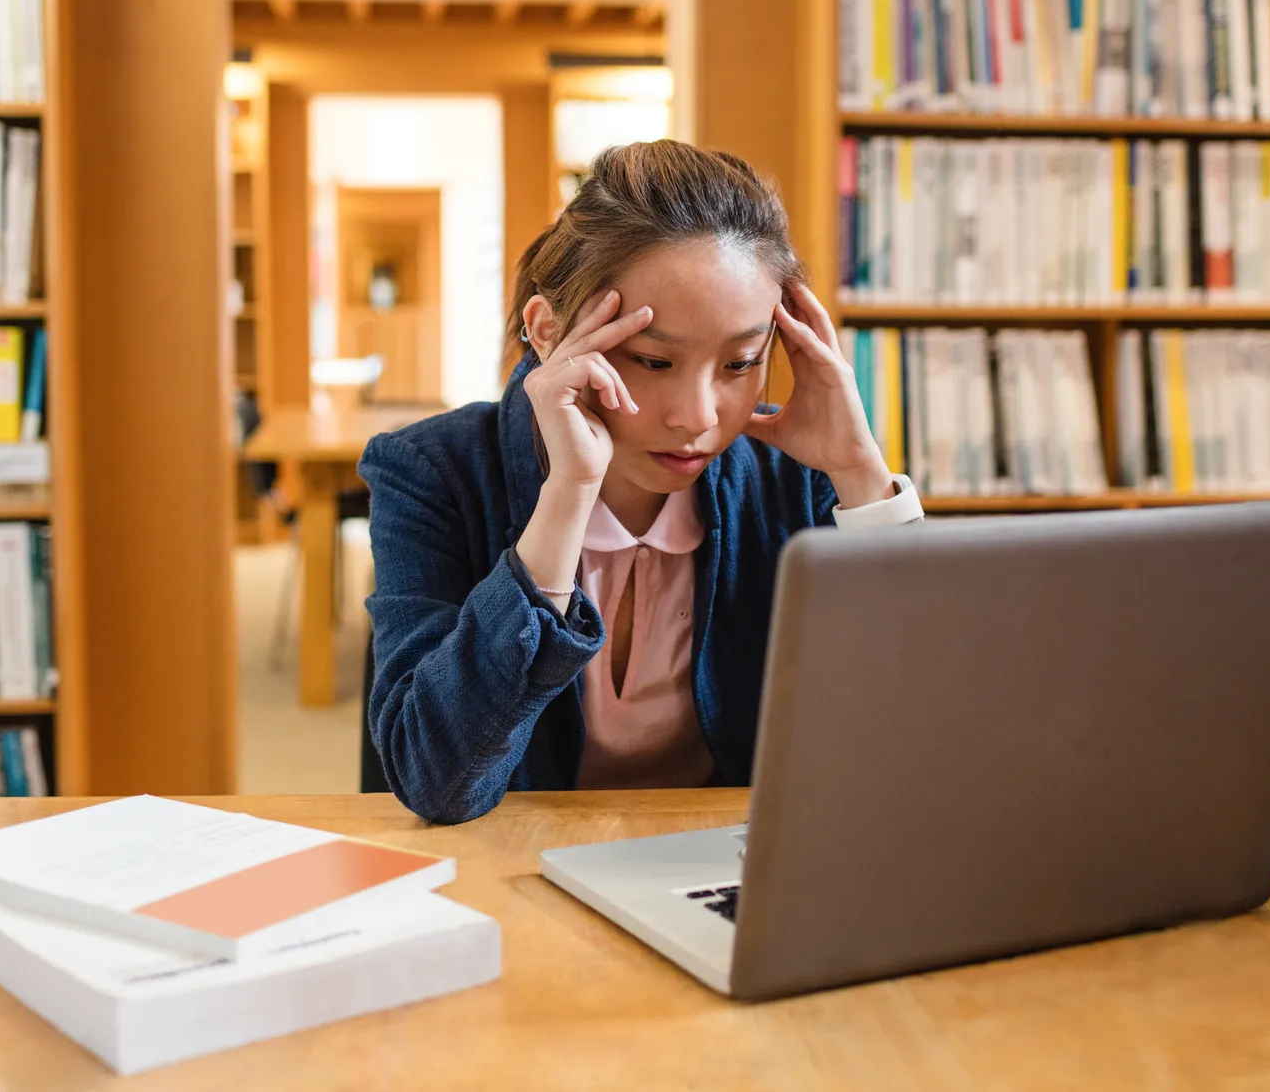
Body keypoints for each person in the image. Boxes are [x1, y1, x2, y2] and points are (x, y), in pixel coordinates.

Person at [359, 140, 924, 823]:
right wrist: (566, 496)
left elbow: (923, 739)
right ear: (547, 331)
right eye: (654, 361)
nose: (699, 417)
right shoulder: (433, 473)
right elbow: (437, 781)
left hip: (723, 876)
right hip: (510, 875)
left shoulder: (791, 475)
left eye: (741, 363)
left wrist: (861, 473)